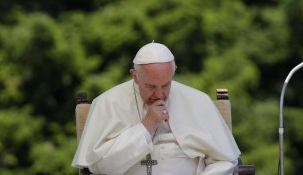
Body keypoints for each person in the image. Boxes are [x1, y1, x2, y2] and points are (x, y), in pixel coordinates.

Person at [72, 42, 241, 175]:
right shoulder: (107, 103)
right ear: (135, 76)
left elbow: (225, 161)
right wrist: (145, 127)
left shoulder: (198, 101)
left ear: (174, 71)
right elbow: (98, 167)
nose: (160, 95)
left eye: (166, 85)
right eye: (151, 86)